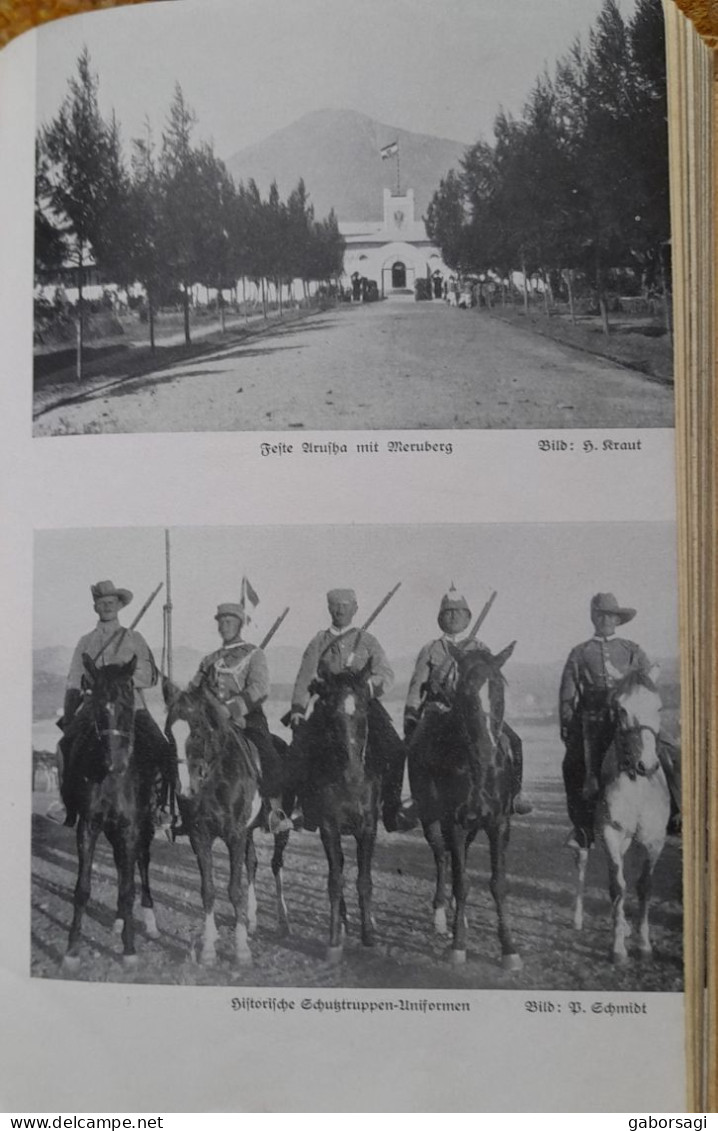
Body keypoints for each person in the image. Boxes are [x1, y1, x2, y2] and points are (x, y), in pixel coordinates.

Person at [288, 588, 415, 833]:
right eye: (336, 605)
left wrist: (366, 687)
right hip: (328, 706)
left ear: (355, 609)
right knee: (299, 749)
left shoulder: (367, 641)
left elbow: (386, 674)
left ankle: (391, 810)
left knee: (396, 750)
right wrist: (298, 709)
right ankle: (305, 809)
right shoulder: (319, 642)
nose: (340, 609)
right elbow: (304, 677)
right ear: (329, 609)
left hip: (363, 705)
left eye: (346, 605)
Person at [559, 592, 680, 848]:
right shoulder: (580, 653)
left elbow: (647, 683)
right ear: (593, 617)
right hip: (594, 723)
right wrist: (570, 728)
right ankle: (582, 829)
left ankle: (679, 814)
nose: (606, 620)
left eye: (610, 615)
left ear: (618, 619)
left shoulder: (632, 650)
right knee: (572, 765)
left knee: (672, 754)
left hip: (633, 720)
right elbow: (567, 696)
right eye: (600, 615)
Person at [56, 579, 176, 831]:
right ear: (96, 608)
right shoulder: (85, 641)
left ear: (119, 605)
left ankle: (162, 808)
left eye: (111, 602)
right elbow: (74, 681)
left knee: (162, 747)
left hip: (132, 708)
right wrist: (69, 719)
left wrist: (116, 678)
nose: (107, 606)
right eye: (102, 603)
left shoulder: (134, 638)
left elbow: (150, 676)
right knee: (65, 746)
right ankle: (66, 804)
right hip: (94, 709)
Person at [403, 586, 532, 816]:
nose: (453, 616)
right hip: (439, 712)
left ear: (468, 617)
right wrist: (411, 715)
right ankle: (417, 799)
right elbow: (416, 685)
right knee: (414, 747)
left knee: (514, 741)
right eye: (448, 612)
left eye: (458, 612)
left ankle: (515, 794)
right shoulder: (431, 649)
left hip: (476, 714)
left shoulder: (481, 648)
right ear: (440, 618)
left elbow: (492, 685)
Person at [187, 603, 292, 835]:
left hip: (247, 719)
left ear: (239, 624)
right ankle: (184, 810)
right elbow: (194, 688)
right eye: (221, 622)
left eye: (230, 622)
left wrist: (232, 709)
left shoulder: (254, 654)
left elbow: (259, 688)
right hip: (211, 722)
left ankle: (274, 812)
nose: (225, 626)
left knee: (269, 756)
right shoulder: (209, 660)